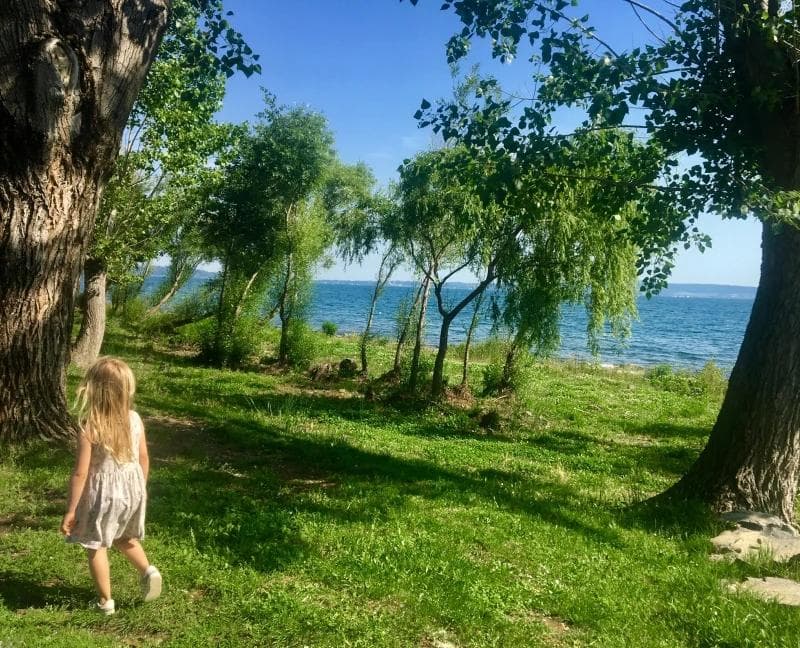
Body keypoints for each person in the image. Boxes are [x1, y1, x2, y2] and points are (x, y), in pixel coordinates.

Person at [60, 357, 161, 615]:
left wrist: (71, 510)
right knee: (125, 537)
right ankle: (148, 570)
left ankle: (106, 602)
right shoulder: (134, 419)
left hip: (103, 497)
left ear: (93, 389)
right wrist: (140, 488)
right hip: (132, 491)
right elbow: (144, 458)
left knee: (96, 545)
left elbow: (81, 473)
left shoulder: (90, 427)